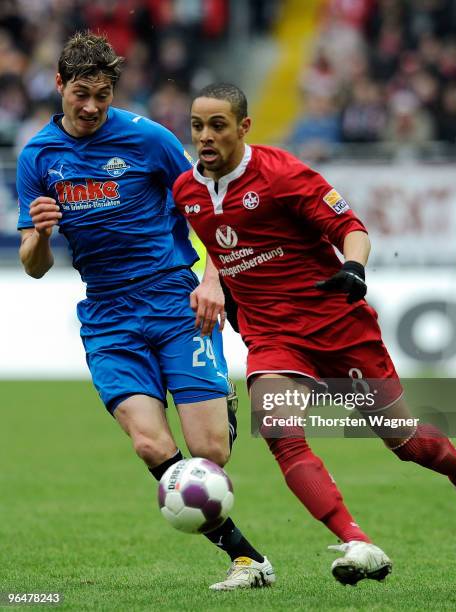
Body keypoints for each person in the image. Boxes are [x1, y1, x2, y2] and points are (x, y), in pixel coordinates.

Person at [173, 82, 456, 586]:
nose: (206, 137)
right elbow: (221, 249)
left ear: (244, 127)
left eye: (218, 125)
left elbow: (353, 227)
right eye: (197, 126)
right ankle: (356, 540)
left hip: (337, 326)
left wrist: (353, 267)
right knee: (281, 433)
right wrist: (217, 286)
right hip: (273, 338)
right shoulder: (187, 191)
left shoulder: (282, 175)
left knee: (407, 443)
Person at [16, 34, 275, 591]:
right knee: (152, 446)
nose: (91, 107)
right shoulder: (38, 157)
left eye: (103, 96)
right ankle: (247, 559)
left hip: (172, 299)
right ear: (59, 85)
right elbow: (33, 266)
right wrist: (40, 234)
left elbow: (211, 207)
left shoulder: (148, 139)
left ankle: (217, 400)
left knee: (209, 452)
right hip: (108, 314)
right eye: (81, 93)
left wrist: (214, 279)